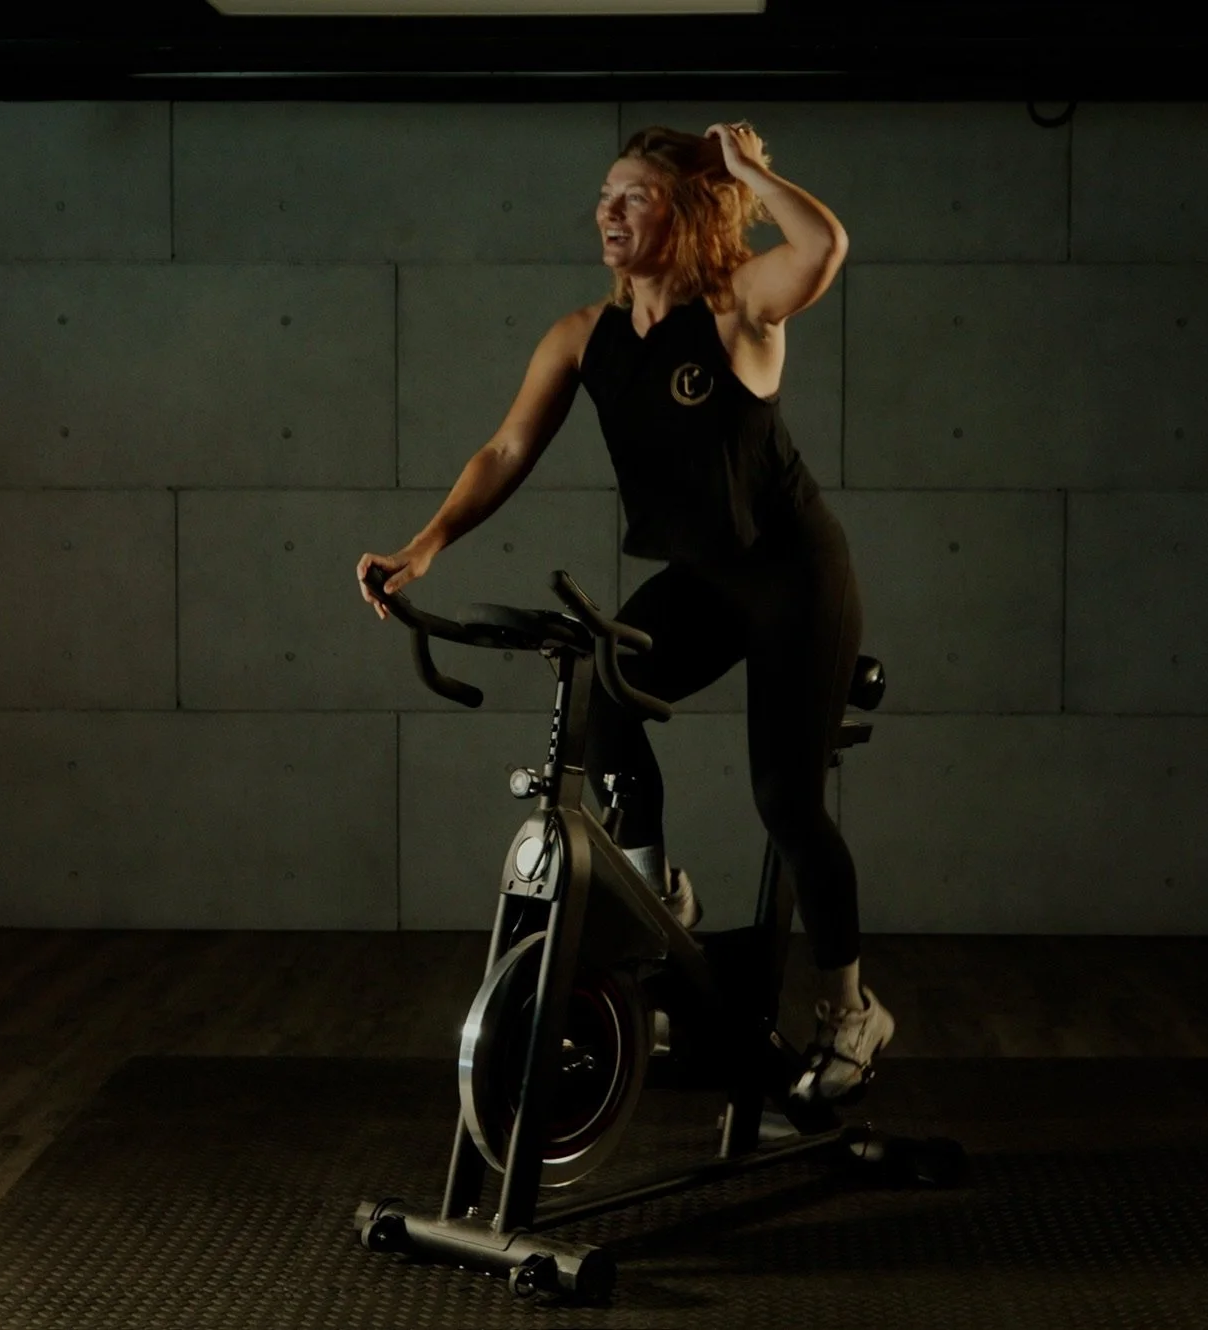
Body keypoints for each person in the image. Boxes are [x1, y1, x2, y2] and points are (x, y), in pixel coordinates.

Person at [355, 122, 888, 1106]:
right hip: (703, 578)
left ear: (680, 213)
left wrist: (746, 172)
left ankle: (853, 1009)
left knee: (788, 801)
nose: (606, 212)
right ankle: (657, 899)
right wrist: (421, 547)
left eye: (632, 196)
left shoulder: (736, 314)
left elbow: (820, 251)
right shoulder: (582, 337)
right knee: (608, 695)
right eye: (603, 195)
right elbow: (507, 452)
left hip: (793, 578)